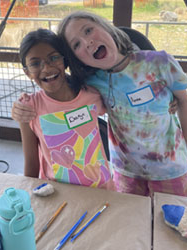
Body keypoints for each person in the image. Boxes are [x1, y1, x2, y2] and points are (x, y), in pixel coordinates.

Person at [13, 11, 187, 198]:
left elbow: (182, 99)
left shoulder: (159, 63)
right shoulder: (93, 83)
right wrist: (21, 105)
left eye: (88, 30)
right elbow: (60, 89)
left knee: (176, 221)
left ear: (105, 26)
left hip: (171, 168)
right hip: (127, 172)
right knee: (131, 223)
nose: (87, 42)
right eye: (76, 44)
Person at [16, 28, 115, 191]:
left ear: (65, 60)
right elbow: (31, 164)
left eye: (53, 58)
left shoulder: (92, 94)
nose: (46, 68)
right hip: (56, 192)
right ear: (27, 72)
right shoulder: (29, 108)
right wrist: (26, 197)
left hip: (101, 188)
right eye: (35, 63)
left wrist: (171, 97)